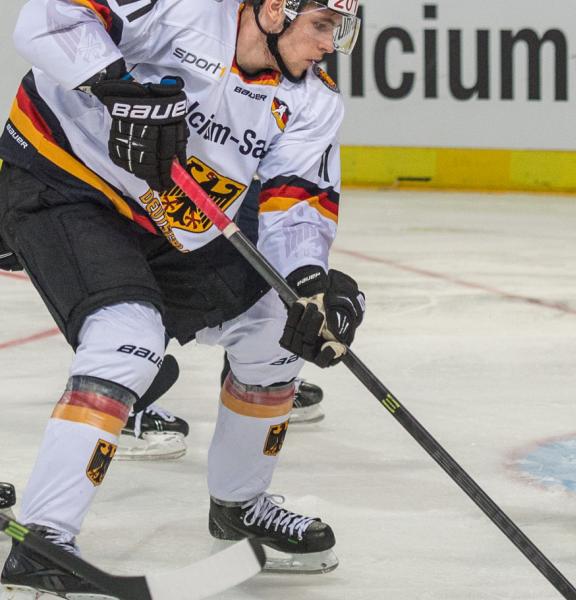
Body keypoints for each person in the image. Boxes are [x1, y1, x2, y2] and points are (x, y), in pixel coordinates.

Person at [0, 0, 364, 595]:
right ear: (276, 10)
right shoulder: (181, 8)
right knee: (128, 339)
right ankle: (45, 540)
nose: (331, 45)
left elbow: (297, 205)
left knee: (280, 322)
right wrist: (116, 84)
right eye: (324, 25)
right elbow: (51, 16)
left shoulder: (312, 102)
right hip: (66, 183)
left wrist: (310, 285)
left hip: (173, 220)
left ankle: (239, 504)